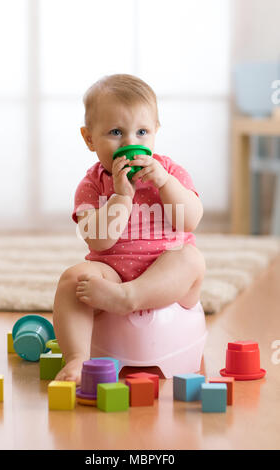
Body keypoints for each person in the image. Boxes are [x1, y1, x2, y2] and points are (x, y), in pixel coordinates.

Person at [53, 74, 206, 384]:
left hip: (166, 273)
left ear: (155, 132)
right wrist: (122, 196)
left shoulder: (170, 172)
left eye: (141, 132)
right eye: (115, 132)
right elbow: (99, 241)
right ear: (89, 139)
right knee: (72, 280)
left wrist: (164, 183)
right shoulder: (92, 184)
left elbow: (189, 221)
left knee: (190, 258)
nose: (129, 143)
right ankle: (78, 359)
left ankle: (129, 296)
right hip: (111, 272)